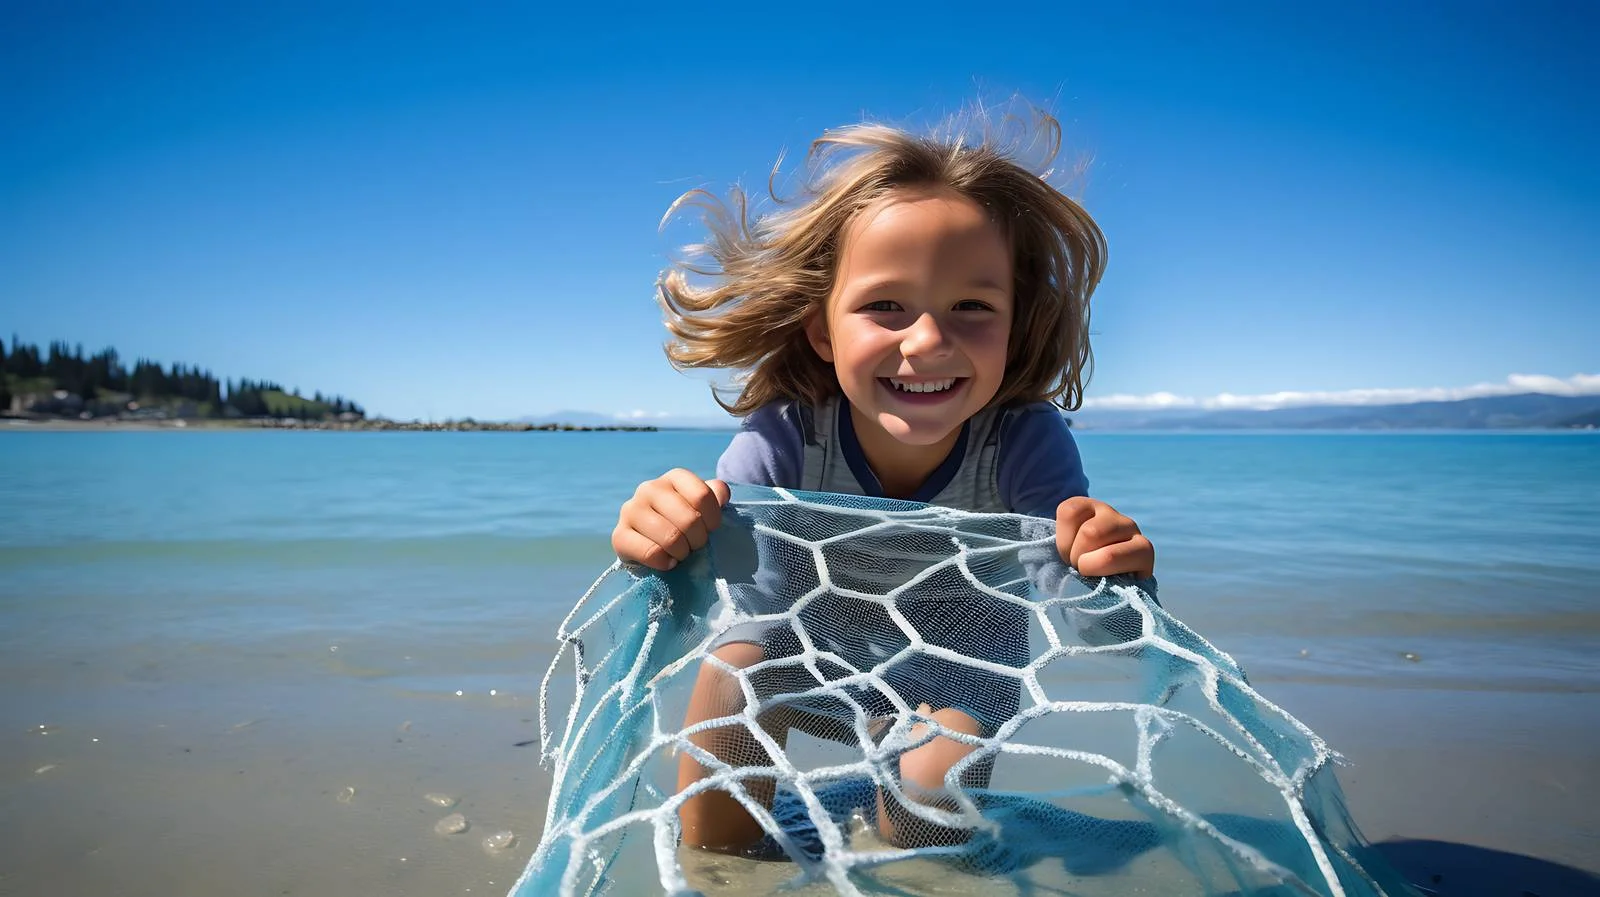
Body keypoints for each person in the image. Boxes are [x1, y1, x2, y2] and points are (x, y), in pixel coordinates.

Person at [611, 104, 1155, 856]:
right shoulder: (786, 437)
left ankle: (905, 847)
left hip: (960, 671)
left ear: (1015, 322)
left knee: (924, 819)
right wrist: (660, 541)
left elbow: (1107, 635)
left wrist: (1115, 578)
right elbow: (727, 599)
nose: (928, 341)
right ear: (823, 329)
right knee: (736, 673)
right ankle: (717, 873)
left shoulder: (1024, 442)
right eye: (885, 306)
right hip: (814, 651)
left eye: (972, 306)